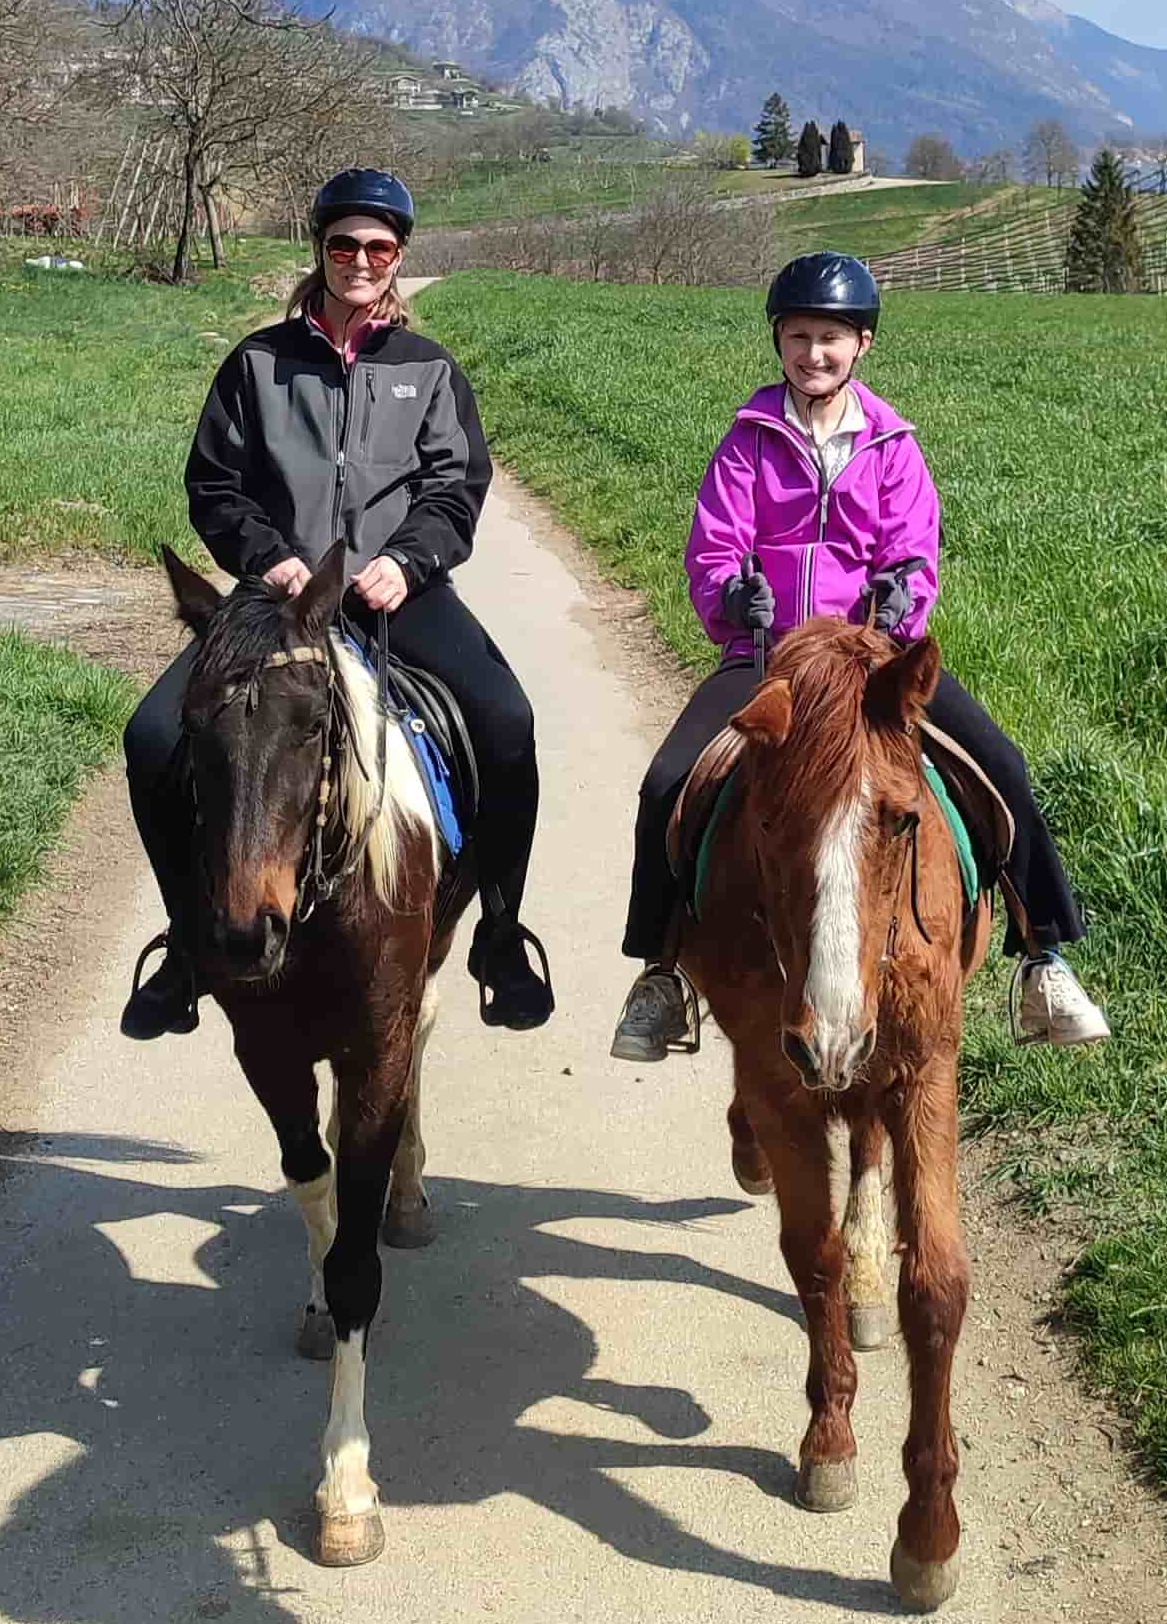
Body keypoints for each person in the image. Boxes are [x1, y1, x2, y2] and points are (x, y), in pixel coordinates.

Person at [609, 249, 1109, 1060]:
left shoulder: (893, 444)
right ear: (778, 342)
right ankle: (661, 972)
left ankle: (1042, 955)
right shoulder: (748, 442)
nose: (813, 353)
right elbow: (712, 550)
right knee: (670, 781)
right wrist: (735, 597)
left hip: (872, 669)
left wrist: (906, 597)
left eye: (831, 338)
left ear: (863, 344)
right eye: (798, 336)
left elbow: (915, 546)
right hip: (769, 659)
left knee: (1001, 768)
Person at [120, 169, 554, 1035]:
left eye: (380, 248)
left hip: (395, 595)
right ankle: (187, 944)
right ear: (318, 251)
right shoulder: (257, 362)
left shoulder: (429, 370)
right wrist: (271, 561)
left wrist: (410, 559)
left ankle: (500, 936)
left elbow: (456, 486)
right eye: (344, 245)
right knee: (155, 735)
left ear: (399, 260)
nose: (361, 261)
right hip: (275, 600)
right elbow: (215, 486)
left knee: (507, 724)